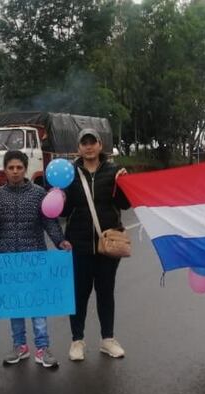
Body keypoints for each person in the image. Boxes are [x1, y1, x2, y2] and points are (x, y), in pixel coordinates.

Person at [0, 150, 72, 369]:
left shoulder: (38, 194)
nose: (15, 171)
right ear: (5, 170)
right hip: (8, 260)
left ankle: (42, 348)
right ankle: (20, 346)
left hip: (35, 258)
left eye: (19, 167)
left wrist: (60, 242)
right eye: (11, 168)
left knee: (37, 304)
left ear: (25, 169)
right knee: (15, 307)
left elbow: (50, 223)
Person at [63, 128, 130, 361]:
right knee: (79, 294)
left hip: (108, 243)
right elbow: (63, 211)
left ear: (100, 145)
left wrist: (124, 183)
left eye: (93, 142)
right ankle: (77, 341)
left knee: (105, 293)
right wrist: (59, 192)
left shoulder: (113, 171)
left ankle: (108, 339)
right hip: (79, 244)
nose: (89, 147)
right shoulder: (69, 173)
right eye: (84, 143)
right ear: (79, 147)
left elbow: (125, 204)